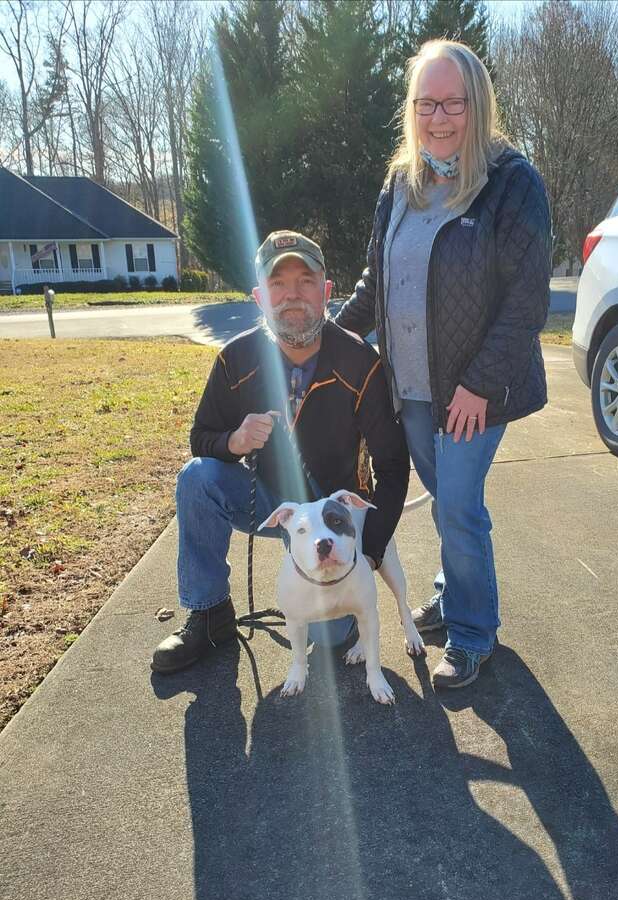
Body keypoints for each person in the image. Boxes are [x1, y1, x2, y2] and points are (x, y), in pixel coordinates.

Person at [335, 39, 551, 690]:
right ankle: (453, 593)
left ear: (477, 103)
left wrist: (481, 383)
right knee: (446, 504)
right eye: (425, 102)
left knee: (456, 504)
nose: (438, 116)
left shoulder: (513, 182)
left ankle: (473, 632)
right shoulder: (401, 181)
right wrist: (326, 339)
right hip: (413, 387)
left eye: (452, 101)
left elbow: (527, 298)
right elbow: (376, 282)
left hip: (476, 389)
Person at [152, 230, 410, 674]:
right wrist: (233, 441)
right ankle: (209, 611)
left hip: (333, 514)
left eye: (306, 281)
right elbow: (201, 438)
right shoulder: (235, 359)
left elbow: (391, 465)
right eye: (278, 284)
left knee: (328, 641)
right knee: (196, 479)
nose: (293, 296)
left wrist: (365, 554)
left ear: (327, 291)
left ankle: (340, 609)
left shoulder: (359, 361)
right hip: (272, 502)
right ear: (259, 296)